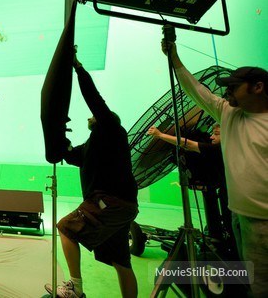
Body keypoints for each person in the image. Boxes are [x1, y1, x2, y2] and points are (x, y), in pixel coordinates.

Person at [162, 40, 268, 297]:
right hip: (240, 217)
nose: (227, 92)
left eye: (234, 87)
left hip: (264, 221)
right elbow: (196, 90)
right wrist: (174, 57)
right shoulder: (228, 113)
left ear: (258, 87)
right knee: (255, 285)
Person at [45, 52, 139, 298]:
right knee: (121, 262)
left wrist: (78, 67)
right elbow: (69, 154)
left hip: (110, 203)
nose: (90, 115)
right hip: (122, 206)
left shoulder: (112, 129)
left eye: (93, 114)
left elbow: (94, 98)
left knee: (66, 228)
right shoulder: (92, 145)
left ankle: (75, 288)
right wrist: (58, 136)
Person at [147, 124, 234, 249]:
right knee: (229, 222)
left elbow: (187, 144)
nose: (211, 137)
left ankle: (231, 251)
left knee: (231, 223)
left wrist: (160, 135)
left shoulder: (218, 149)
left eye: (216, 134)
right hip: (228, 191)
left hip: (231, 194)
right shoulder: (231, 148)